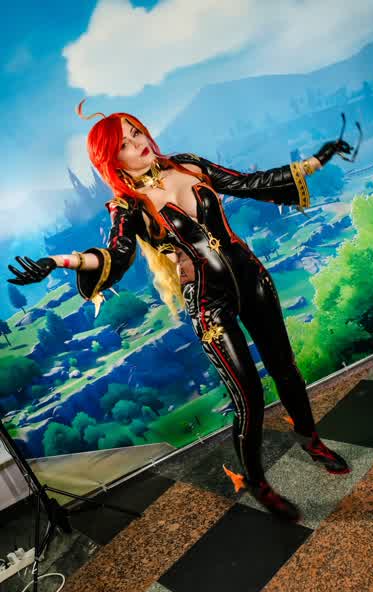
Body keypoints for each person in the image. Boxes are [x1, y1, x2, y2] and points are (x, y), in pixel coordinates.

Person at [7, 100, 355, 523]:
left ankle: (311, 440)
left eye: (137, 132)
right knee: (249, 398)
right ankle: (257, 482)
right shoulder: (127, 206)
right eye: (124, 144)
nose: (138, 143)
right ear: (111, 161)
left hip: (252, 279)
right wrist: (60, 261)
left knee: (286, 369)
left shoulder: (188, 165)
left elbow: (248, 183)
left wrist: (317, 161)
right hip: (209, 301)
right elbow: (116, 254)